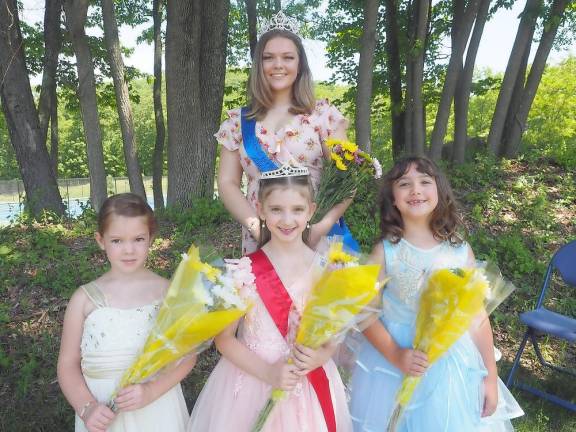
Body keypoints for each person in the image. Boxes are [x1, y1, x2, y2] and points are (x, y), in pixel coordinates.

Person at [349, 157, 523, 431]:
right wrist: (396, 354)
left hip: (450, 364)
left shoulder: (459, 251)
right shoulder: (385, 252)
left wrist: (490, 375)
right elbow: (364, 314)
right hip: (395, 358)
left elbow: (476, 316)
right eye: (404, 184)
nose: (415, 190)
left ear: (440, 193)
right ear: (393, 199)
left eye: (425, 182)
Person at [187, 166, 352, 431]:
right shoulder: (243, 271)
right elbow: (224, 339)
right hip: (253, 381)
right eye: (276, 209)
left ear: (310, 210)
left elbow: (333, 336)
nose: (287, 219)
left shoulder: (328, 271)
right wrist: (269, 374)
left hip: (308, 388)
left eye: (297, 210)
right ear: (261, 210)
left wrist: (321, 356)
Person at [57, 193, 195, 432]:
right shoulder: (83, 299)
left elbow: (187, 356)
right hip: (101, 412)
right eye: (117, 241)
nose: (129, 250)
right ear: (101, 240)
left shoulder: (168, 293)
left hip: (156, 408)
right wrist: (86, 407)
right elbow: (67, 364)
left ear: (151, 238)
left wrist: (151, 391)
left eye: (138, 239)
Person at [217, 11, 351, 255]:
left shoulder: (323, 116)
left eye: (288, 57)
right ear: (259, 65)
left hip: (316, 236)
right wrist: (257, 228)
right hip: (261, 237)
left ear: (300, 65)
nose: (278, 65)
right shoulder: (238, 122)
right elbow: (227, 183)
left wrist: (321, 227)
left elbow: (348, 179)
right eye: (269, 57)